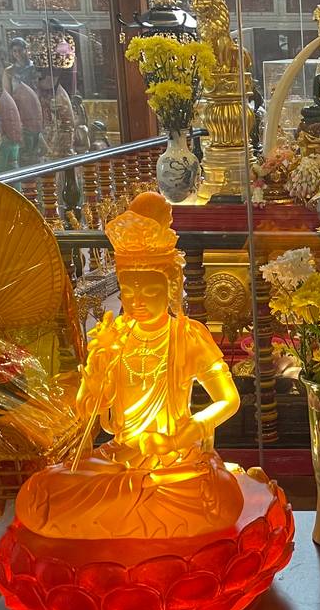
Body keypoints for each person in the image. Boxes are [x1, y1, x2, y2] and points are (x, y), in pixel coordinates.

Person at [14, 192, 243, 540]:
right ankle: (132, 508)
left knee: (220, 498)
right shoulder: (115, 336)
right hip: (119, 457)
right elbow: (88, 410)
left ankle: (117, 512)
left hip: (174, 460)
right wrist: (96, 366)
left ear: (169, 287)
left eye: (149, 292)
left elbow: (229, 400)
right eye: (128, 291)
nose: (137, 302)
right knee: (39, 494)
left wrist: (187, 432)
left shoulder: (187, 335)